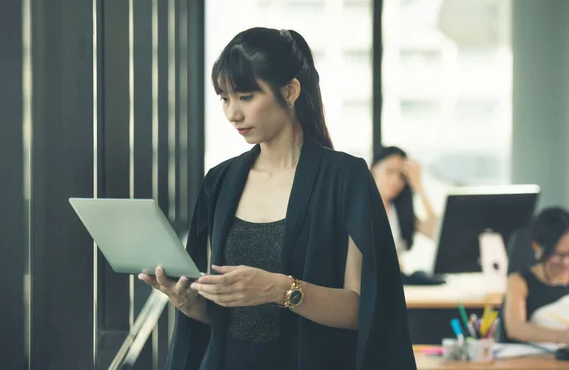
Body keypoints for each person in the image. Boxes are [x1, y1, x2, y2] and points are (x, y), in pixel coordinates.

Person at [138, 27, 415, 370]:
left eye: (246, 96)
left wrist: (280, 289)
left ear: (290, 91)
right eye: (225, 98)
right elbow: (226, 316)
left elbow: (363, 310)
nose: (232, 114)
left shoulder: (345, 178)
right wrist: (188, 302)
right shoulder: (220, 181)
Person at [501, 207, 569, 346]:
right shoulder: (519, 281)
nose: (566, 261)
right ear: (537, 246)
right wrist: (563, 336)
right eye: (557, 254)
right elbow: (515, 328)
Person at [370, 146, 437, 259]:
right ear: (373, 170)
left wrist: (419, 187)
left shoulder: (399, 212)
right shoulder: (359, 209)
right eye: (389, 171)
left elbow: (436, 233)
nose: (395, 181)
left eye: (402, 176)